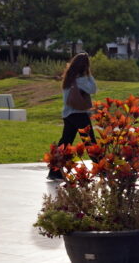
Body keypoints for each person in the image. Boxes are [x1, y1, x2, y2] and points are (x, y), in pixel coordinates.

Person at [47, 52, 97, 181]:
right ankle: (102, 169)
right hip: (79, 115)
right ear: (85, 66)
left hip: (68, 115)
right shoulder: (81, 80)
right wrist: (89, 74)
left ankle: (54, 171)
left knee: (65, 143)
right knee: (90, 143)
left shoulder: (68, 78)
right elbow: (93, 89)